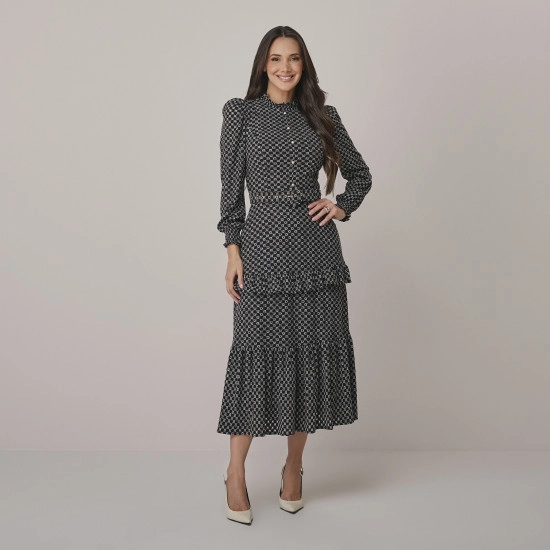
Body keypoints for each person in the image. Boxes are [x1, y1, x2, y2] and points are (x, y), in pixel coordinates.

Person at [216, 25, 372, 525]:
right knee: (255, 352)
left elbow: (361, 174)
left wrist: (340, 205)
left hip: (315, 255)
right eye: (276, 58)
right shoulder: (240, 114)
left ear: (304, 65)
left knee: (306, 355)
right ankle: (235, 472)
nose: (285, 67)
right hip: (261, 250)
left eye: (294, 58)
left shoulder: (324, 116)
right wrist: (233, 251)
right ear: (263, 65)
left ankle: (293, 467)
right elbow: (230, 192)